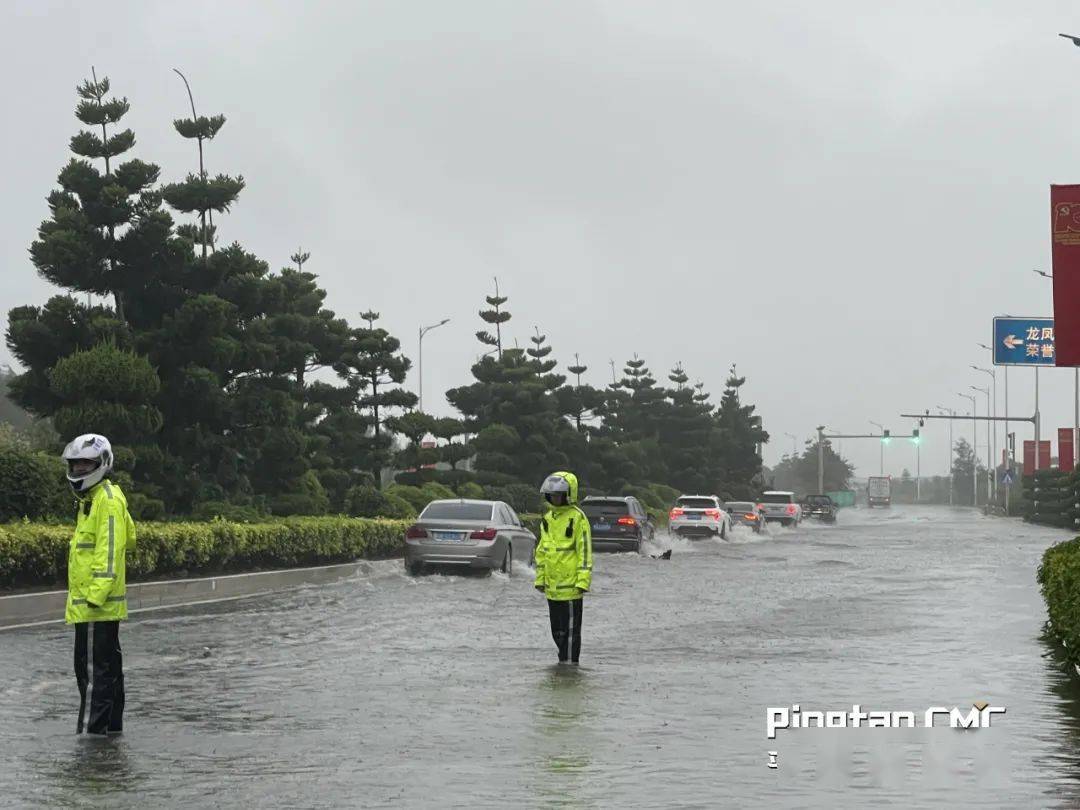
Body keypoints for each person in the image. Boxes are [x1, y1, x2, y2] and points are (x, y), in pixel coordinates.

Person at [63, 434, 135, 736]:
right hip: (98, 606)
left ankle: (90, 738)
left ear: (102, 464)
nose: (80, 469)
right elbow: (128, 538)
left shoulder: (105, 501)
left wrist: (94, 596)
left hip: (96, 606)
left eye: (86, 464)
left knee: (93, 676)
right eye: (76, 464)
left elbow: (109, 553)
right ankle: (109, 732)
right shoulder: (94, 500)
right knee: (107, 674)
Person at [533, 471, 592, 664]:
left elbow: (584, 551)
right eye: (553, 495)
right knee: (556, 632)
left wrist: (582, 581)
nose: (556, 498)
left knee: (570, 635)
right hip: (552, 589)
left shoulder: (578, 518)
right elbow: (542, 551)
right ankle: (562, 666)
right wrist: (540, 579)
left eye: (559, 495)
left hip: (571, 589)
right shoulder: (548, 519)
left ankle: (569, 670)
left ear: (568, 495)